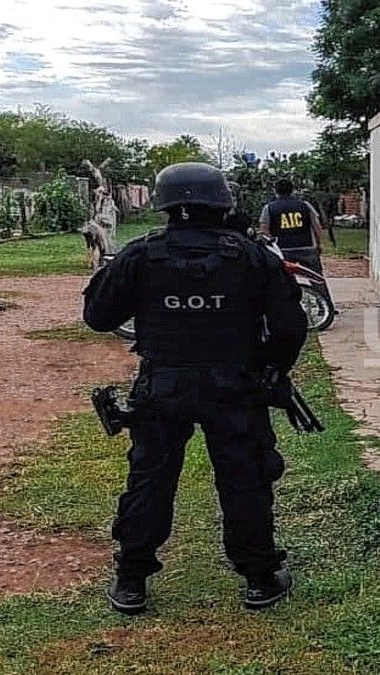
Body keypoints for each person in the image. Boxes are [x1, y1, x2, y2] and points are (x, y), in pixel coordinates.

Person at [83, 162, 308, 614]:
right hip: (235, 387)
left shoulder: (142, 253)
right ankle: (260, 577)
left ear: (165, 204)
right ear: (222, 202)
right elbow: (290, 327)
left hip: (163, 387)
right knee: (245, 479)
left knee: (150, 480)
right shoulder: (249, 255)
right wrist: (271, 370)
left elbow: (98, 316)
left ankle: (131, 580)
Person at [258, 178, 333, 307]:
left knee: (283, 280)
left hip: (283, 250)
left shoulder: (269, 208)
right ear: (292, 190)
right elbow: (317, 227)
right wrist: (319, 244)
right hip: (307, 247)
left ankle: (287, 307)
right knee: (317, 278)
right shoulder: (304, 205)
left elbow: (265, 231)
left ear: (275, 191)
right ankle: (326, 306)